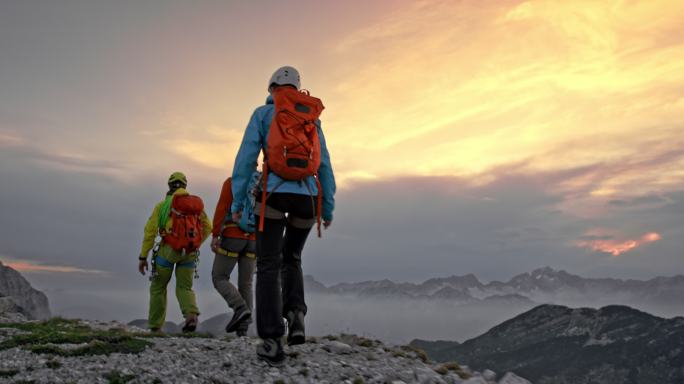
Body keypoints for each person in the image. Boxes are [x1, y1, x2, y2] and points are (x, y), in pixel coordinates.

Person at [231, 66, 336, 366]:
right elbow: (325, 165)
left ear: (271, 88)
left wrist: (238, 201)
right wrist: (326, 207)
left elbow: (245, 160)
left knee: (267, 264)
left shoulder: (262, 115)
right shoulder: (311, 118)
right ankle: (296, 316)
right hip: (308, 198)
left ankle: (272, 342)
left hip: (273, 194)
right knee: (293, 258)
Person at [138, 171, 212, 333]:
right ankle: (191, 315)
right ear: (185, 185)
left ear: (169, 186)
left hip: (168, 251)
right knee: (185, 287)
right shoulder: (195, 207)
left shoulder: (162, 206)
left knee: (158, 287)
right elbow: (208, 227)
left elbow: (150, 232)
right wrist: (195, 243)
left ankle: (156, 327)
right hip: (190, 253)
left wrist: (143, 256)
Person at [210, 176, 256, 336]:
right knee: (246, 283)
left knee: (219, 277)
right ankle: (243, 328)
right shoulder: (263, 183)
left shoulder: (232, 182)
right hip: (254, 239)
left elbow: (222, 208)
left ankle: (240, 308)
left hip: (232, 235)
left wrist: (215, 234)